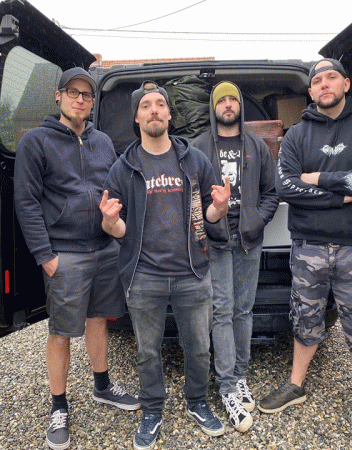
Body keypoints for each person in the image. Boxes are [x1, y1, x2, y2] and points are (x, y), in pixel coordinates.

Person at [257, 59, 352, 448]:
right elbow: (285, 186)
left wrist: (318, 179)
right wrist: (343, 195)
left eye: (331, 77)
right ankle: (295, 385)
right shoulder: (296, 135)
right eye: (317, 80)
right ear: (310, 92)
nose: (324, 84)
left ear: (346, 84)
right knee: (305, 316)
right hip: (308, 245)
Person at [99, 81, 230, 450]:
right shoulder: (123, 169)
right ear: (137, 118)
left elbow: (208, 212)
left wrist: (220, 208)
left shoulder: (194, 160)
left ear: (170, 114)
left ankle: (197, 402)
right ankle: (152, 410)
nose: (153, 110)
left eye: (160, 104)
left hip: (192, 272)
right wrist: (109, 222)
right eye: (146, 106)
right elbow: (120, 229)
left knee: (199, 348)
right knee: (147, 351)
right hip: (144, 276)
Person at [14, 67, 139, 450]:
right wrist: (45, 256)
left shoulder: (102, 141)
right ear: (59, 96)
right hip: (64, 254)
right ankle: (58, 406)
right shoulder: (36, 141)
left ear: (92, 102)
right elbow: (26, 202)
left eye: (87, 94)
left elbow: (115, 188)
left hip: (103, 248)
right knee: (62, 331)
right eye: (73, 92)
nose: (80, 99)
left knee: (98, 319)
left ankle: (102, 385)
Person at [191, 81, 279, 432]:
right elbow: (191, 197)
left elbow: (271, 193)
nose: (227, 104)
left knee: (243, 310)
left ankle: (240, 376)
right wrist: (207, 225)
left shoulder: (256, 146)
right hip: (216, 242)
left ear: (240, 106)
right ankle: (227, 385)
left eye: (232, 99)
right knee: (222, 311)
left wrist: (255, 220)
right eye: (221, 100)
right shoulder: (199, 146)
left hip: (248, 241)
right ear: (214, 108)